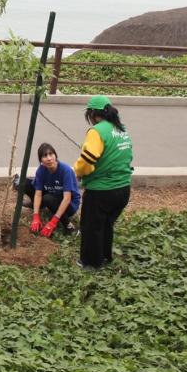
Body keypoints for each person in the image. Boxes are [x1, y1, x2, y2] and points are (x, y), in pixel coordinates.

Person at [73, 96, 133, 271]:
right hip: (123, 188)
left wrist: (79, 172)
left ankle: (91, 262)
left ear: (92, 113)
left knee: (92, 226)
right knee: (106, 223)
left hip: (102, 190)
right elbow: (128, 155)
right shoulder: (121, 129)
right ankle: (105, 255)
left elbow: (88, 158)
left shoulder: (97, 131)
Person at [18, 142, 81, 238]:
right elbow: (38, 193)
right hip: (52, 196)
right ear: (41, 160)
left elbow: (67, 199)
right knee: (24, 183)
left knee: (48, 198)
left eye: (51, 154)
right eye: (44, 156)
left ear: (55, 156)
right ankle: (39, 206)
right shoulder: (41, 170)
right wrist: (36, 216)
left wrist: (53, 222)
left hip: (70, 204)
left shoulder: (65, 170)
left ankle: (70, 227)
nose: (49, 158)